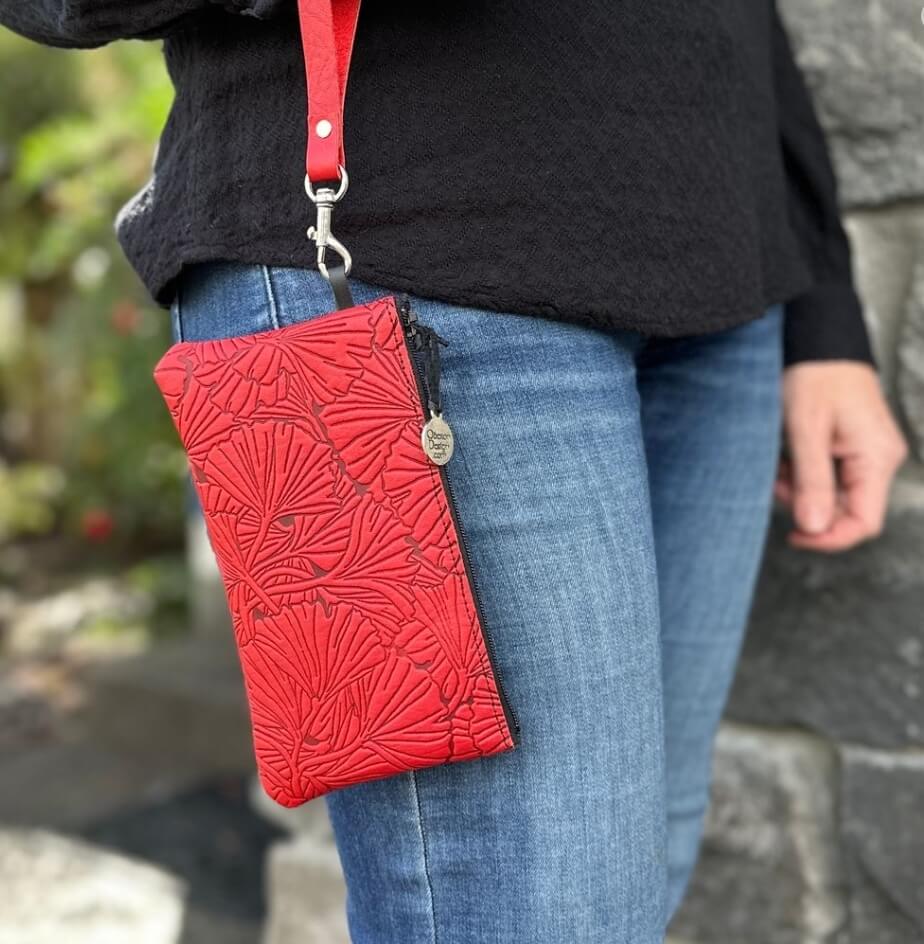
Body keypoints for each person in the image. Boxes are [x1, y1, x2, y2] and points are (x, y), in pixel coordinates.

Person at [0, 2, 907, 941]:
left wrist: (823, 312)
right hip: (408, 268)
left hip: (726, 285)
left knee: (633, 885)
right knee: (540, 916)